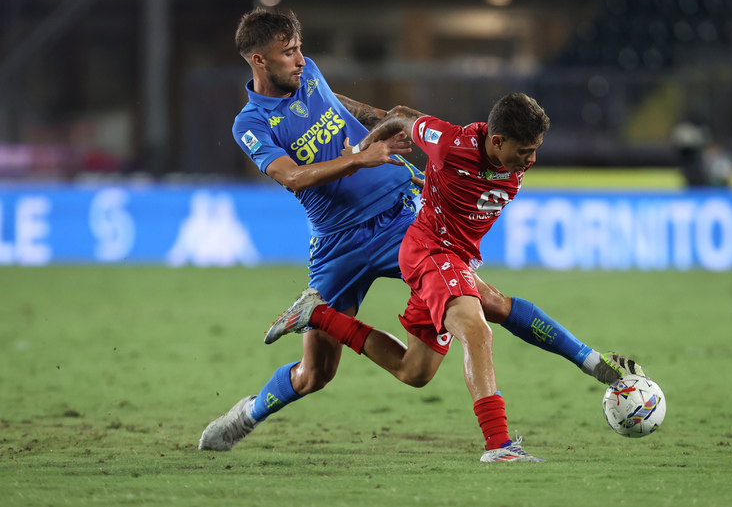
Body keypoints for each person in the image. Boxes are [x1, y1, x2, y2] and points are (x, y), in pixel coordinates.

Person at [199, 9, 644, 456]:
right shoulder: (250, 124)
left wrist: (382, 119)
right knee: (315, 375)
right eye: (288, 53)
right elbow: (292, 177)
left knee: (480, 304)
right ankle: (248, 413)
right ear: (259, 61)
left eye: (299, 48)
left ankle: (582, 372)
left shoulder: (308, 73)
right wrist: (360, 157)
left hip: (397, 221)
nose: (300, 58)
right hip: (337, 242)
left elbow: (336, 106)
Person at [263, 93, 640, 462]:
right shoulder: (448, 143)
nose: (532, 159)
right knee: (478, 329)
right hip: (429, 250)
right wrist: (360, 152)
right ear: (497, 140)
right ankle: (499, 445)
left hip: (457, 257)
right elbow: (398, 116)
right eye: (525, 151)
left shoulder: (508, 158)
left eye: (535, 149)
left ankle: (318, 314)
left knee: (415, 370)